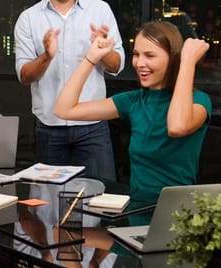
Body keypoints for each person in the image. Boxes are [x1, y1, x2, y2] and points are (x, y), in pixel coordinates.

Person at [54, 21, 211, 204]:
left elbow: (177, 126)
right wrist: (91, 58)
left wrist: (187, 63)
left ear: (173, 58)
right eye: (136, 54)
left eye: (150, 55)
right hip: (136, 211)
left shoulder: (198, 101)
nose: (139, 63)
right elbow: (64, 110)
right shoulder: (133, 101)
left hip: (177, 214)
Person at [14, 0, 125, 180]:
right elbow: (24, 76)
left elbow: (116, 65)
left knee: (101, 197)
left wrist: (103, 50)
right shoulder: (28, 19)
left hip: (93, 126)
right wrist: (46, 56)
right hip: (49, 127)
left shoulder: (99, 10)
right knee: (46, 204)